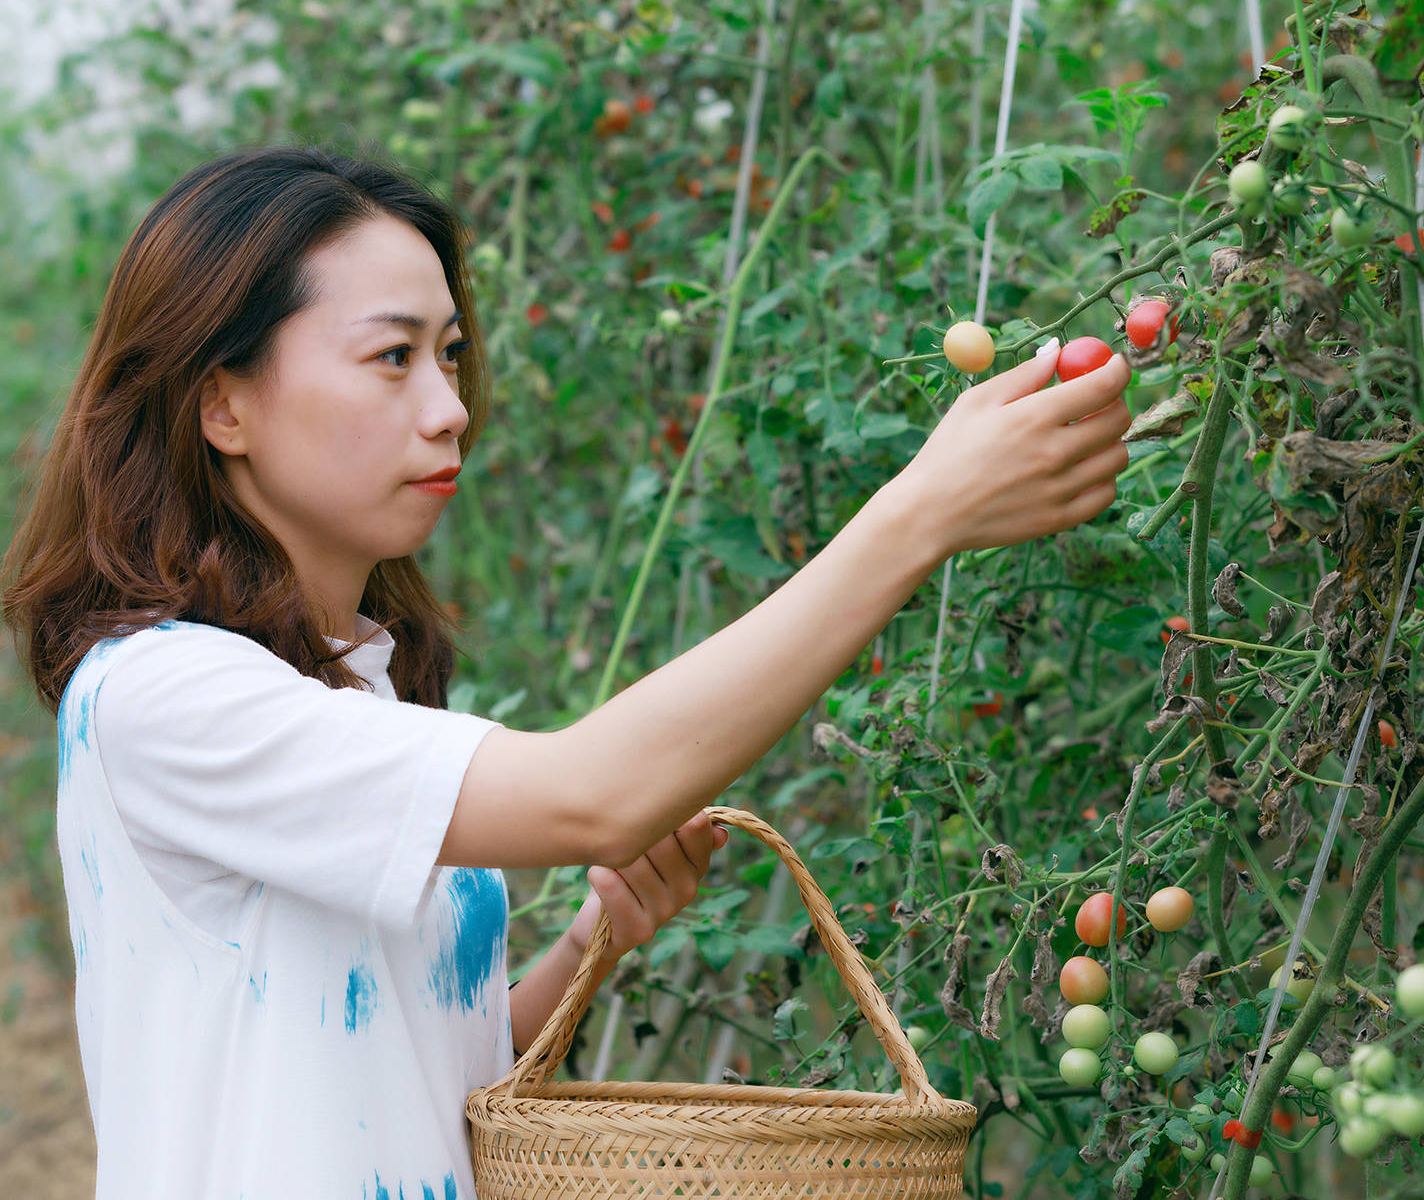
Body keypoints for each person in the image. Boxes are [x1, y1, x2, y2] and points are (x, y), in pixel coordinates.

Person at [0, 144, 1132, 1198]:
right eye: (391, 358)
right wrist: (916, 515)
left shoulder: (355, 690)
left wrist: (593, 941)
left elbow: (426, 1076)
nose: (449, 410)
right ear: (221, 402)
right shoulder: (162, 698)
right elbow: (591, 792)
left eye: (449, 355)